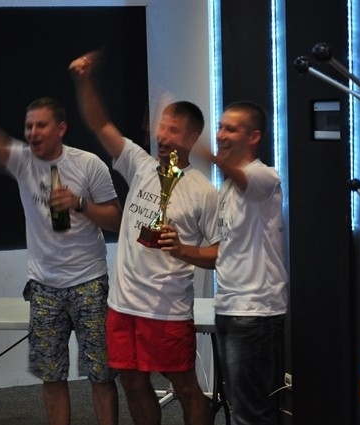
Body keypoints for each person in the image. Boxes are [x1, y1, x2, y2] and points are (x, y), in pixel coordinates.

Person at [0, 61, 121, 425]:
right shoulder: (22, 161)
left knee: (101, 374)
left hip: (88, 283)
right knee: (51, 376)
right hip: (44, 287)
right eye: (28, 126)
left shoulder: (89, 165)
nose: (32, 133)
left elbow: (116, 218)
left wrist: (80, 205)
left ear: (61, 129)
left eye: (41, 125)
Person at [69, 52, 220, 425]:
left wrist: (182, 249)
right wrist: (85, 81)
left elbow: (220, 254)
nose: (163, 137)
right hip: (123, 305)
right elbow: (100, 124)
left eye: (174, 130)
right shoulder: (140, 163)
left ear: (192, 137)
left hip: (166, 309)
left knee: (185, 387)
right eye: (162, 128)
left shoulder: (203, 191)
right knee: (133, 383)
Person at [160, 101, 289, 425]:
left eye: (231, 129)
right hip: (230, 308)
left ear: (253, 137)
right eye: (220, 127)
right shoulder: (228, 189)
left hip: (256, 312)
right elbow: (222, 254)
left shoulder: (264, 176)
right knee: (240, 406)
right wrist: (180, 249)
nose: (221, 135)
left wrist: (199, 148)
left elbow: (242, 176)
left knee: (252, 413)